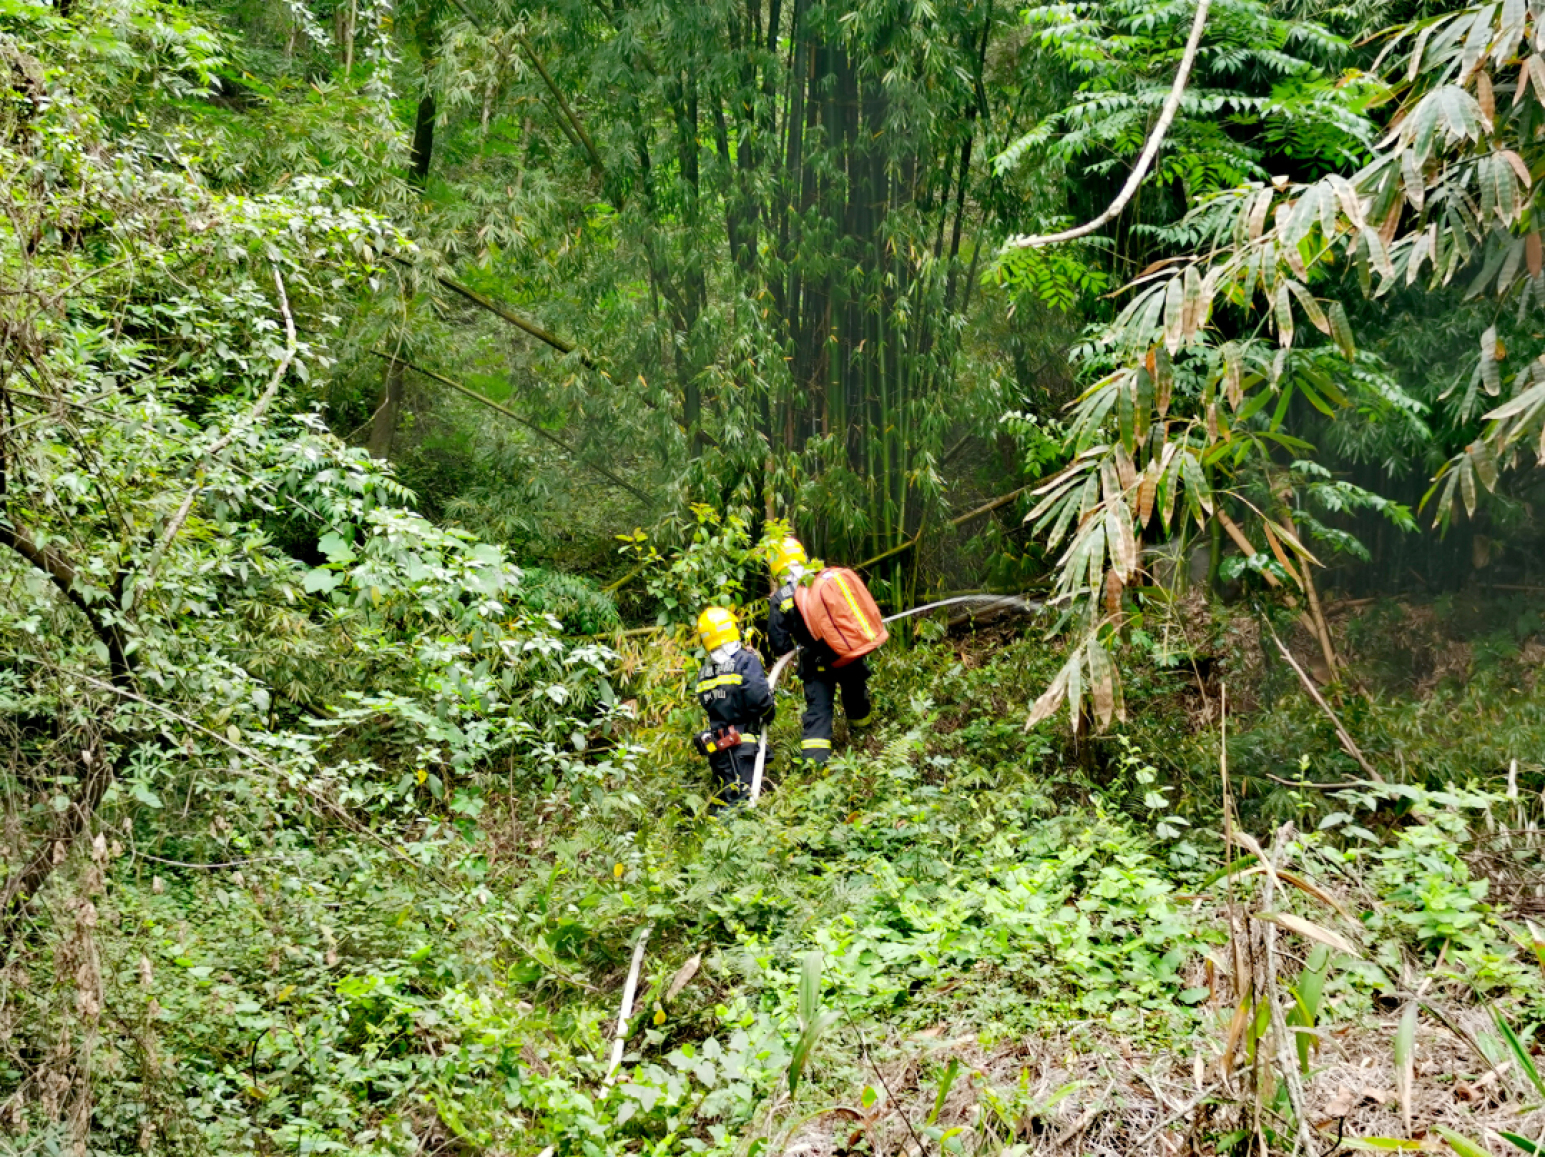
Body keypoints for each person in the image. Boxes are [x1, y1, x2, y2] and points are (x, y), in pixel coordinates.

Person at [765, 536, 873, 766]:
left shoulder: (781, 598)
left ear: (776, 567)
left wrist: (794, 647)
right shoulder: (824, 578)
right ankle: (865, 741)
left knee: (818, 712)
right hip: (847, 652)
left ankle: (815, 764)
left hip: (816, 662)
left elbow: (778, 644)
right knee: (855, 693)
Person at [692, 606, 775, 812]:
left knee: (728, 799)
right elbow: (759, 701)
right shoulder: (745, 661)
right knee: (741, 806)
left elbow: (707, 702)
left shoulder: (705, 671)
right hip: (742, 747)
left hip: (719, 752)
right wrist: (769, 711)